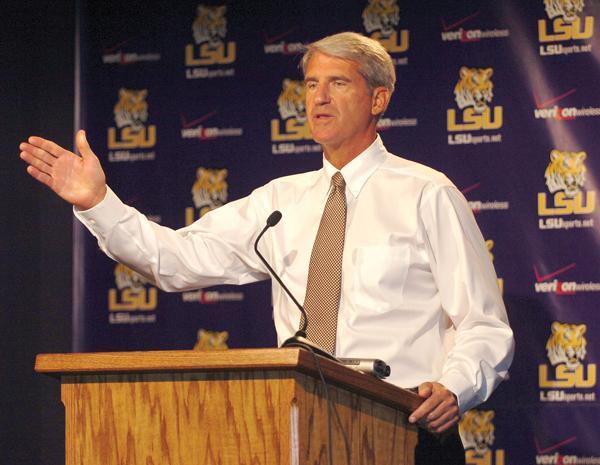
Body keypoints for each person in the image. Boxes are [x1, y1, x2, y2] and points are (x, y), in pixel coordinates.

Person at [20, 32, 514, 464]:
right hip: (296, 432)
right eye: (311, 84)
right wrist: (99, 203)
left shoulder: (427, 193)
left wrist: (455, 388)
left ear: (378, 98)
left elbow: (483, 323)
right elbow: (174, 260)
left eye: (338, 83)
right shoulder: (279, 201)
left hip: (404, 433)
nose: (318, 97)